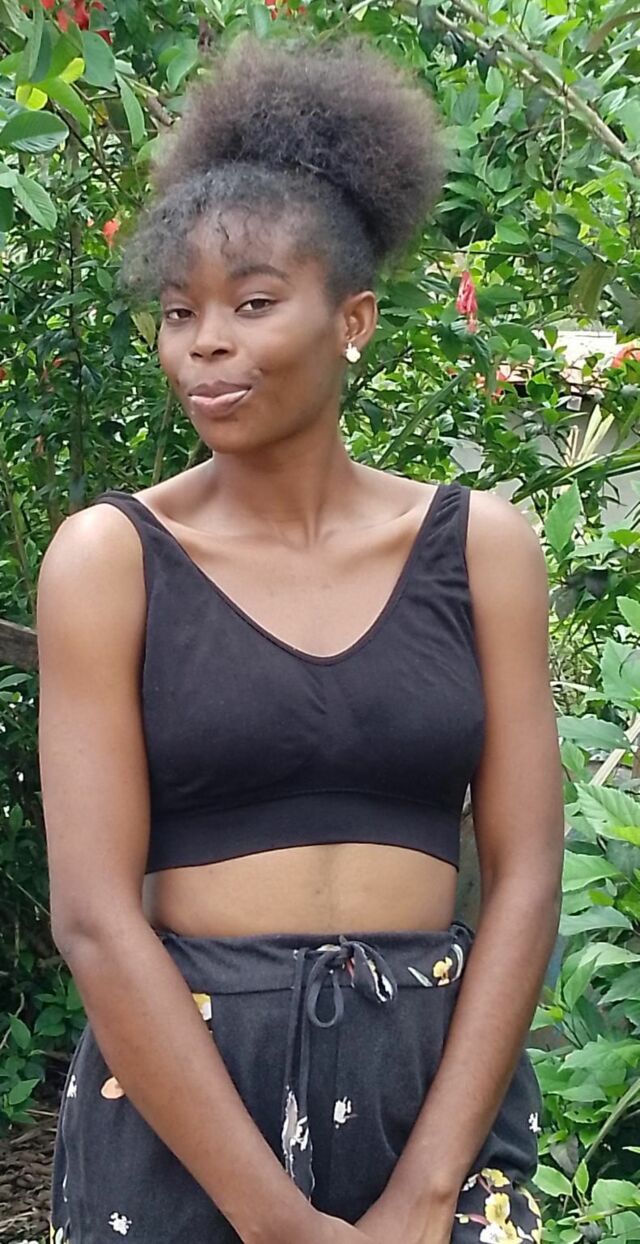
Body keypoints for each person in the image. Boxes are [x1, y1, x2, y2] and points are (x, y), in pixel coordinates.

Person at [37, 29, 564, 1244]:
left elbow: (526, 871)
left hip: (432, 1083)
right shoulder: (112, 561)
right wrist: (279, 1221)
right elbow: (96, 918)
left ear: (353, 319)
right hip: (185, 1103)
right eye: (180, 312)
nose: (206, 343)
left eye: (254, 303)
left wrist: (428, 1188)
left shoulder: (480, 547)